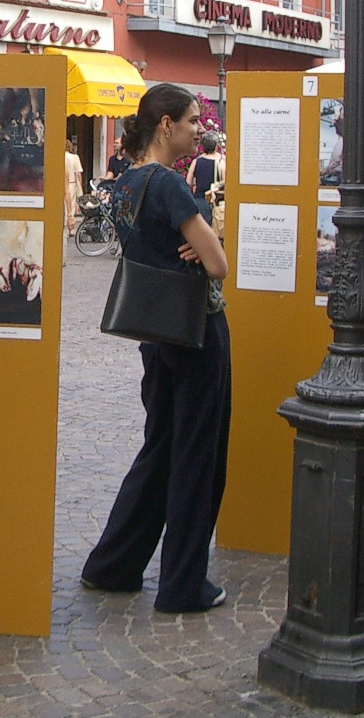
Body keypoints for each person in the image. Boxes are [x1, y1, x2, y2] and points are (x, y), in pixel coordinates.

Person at [80, 83, 230, 614]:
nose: (199, 129)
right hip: (195, 332)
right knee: (196, 455)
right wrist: (205, 239)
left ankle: (113, 564)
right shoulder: (167, 184)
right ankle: (183, 584)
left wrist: (192, 242)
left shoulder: (126, 182)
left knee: (159, 449)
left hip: (155, 335)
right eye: (192, 121)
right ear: (166, 124)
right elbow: (218, 265)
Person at [185, 131, 224, 225]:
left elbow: (188, 182)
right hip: (215, 202)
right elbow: (226, 182)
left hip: (199, 201)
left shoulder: (196, 161)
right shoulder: (221, 161)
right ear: (216, 145)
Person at [64, 139, 83, 235]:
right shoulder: (75, 157)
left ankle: (63, 225)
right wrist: (80, 186)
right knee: (70, 206)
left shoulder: (59, 157)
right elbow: (78, 173)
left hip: (61, 183)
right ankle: (70, 229)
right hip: (72, 183)